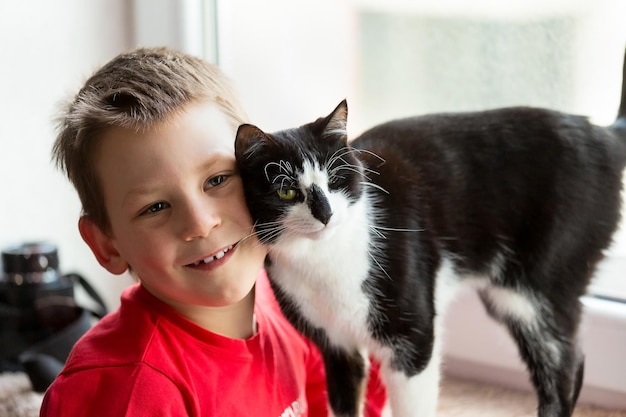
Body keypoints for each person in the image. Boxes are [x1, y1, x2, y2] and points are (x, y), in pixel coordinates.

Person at [40, 47, 387, 416]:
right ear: (107, 245)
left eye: (218, 180)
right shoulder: (134, 392)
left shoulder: (288, 296)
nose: (200, 223)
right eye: (155, 207)